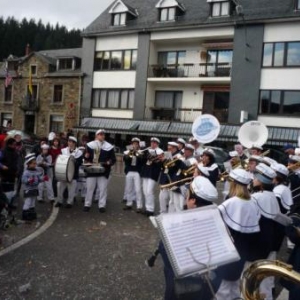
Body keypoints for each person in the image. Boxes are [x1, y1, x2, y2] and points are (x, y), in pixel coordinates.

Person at [157, 176, 219, 300]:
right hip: (209, 285)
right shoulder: (216, 220)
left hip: (182, 286)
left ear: (193, 201)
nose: (186, 197)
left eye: (188, 194)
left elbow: (166, 254)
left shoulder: (179, 225)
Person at [216, 169, 261, 300]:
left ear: (234, 184)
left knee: (222, 290)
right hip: (243, 252)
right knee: (235, 287)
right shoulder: (252, 202)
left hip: (227, 253)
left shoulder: (231, 203)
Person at [251, 163, 280, 300]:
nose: (253, 180)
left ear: (261, 183)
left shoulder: (257, 197)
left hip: (257, 247)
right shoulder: (272, 196)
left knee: (253, 283)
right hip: (269, 245)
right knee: (265, 283)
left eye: (255, 178)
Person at [83, 129, 116, 212]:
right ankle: (87, 204)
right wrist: (86, 156)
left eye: (103, 134)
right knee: (90, 188)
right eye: (100, 134)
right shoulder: (89, 145)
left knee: (103, 189)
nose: (102, 136)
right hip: (92, 170)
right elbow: (86, 158)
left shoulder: (109, 147)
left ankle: (102, 205)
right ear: (96, 136)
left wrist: (109, 162)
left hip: (103, 170)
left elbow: (113, 159)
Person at [55, 136, 83, 208]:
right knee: (59, 187)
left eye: (71, 142)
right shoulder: (63, 150)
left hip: (73, 174)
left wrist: (74, 161)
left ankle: (69, 202)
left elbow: (79, 163)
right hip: (63, 173)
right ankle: (59, 201)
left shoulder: (79, 153)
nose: (69, 143)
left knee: (71, 190)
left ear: (74, 143)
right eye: (68, 141)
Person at [140, 137, 163, 217]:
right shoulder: (147, 150)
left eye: (154, 143)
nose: (152, 144)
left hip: (153, 173)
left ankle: (151, 209)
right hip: (146, 172)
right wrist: (143, 155)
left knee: (149, 191)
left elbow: (160, 164)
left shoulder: (160, 152)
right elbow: (142, 161)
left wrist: (154, 159)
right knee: (145, 191)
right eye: (152, 142)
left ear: (157, 144)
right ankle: (147, 208)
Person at [122, 137, 143, 212]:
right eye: (133, 144)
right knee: (129, 188)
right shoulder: (127, 152)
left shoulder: (141, 152)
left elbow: (142, 159)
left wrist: (136, 152)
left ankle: (139, 206)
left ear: (138, 145)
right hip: (129, 171)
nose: (135, 145)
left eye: (136, 144)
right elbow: (125, 159)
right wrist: (130, 152)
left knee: (138, 189)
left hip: (137, 172)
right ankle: (129, 203)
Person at [22, 154, 44, 220]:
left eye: (35, 163)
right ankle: (25, 214)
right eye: (33, 164)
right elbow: (23, 180)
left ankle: (31, 212)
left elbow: (38, 179)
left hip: (34, 189)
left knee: (33, 201)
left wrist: (43, 179)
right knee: (28, 202)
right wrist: (29, 180)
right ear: (29, 164)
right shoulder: (26, 172)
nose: (35, 165)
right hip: (28, 189)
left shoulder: (36, 171)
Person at [0, 138, 19, 209]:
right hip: (4, 174)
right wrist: (2, 166)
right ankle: (4, 205)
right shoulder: (3, 151)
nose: (15, 146)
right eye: (14, 144)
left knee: (11, 191)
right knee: (4, 191)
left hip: (13, 174)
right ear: (9, 144)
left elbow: (17, 162)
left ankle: (10, 204)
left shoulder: (15, 152)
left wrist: (17, 169)